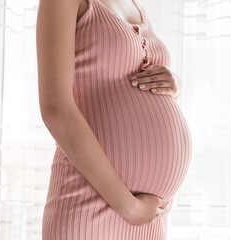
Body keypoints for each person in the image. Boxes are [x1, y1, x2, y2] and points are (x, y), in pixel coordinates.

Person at [36, 0, 193, 238]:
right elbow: (55, 109)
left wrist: (175, 83)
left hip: (149, 216)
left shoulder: (134, 5)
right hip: (91, 206)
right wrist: (127, 205)